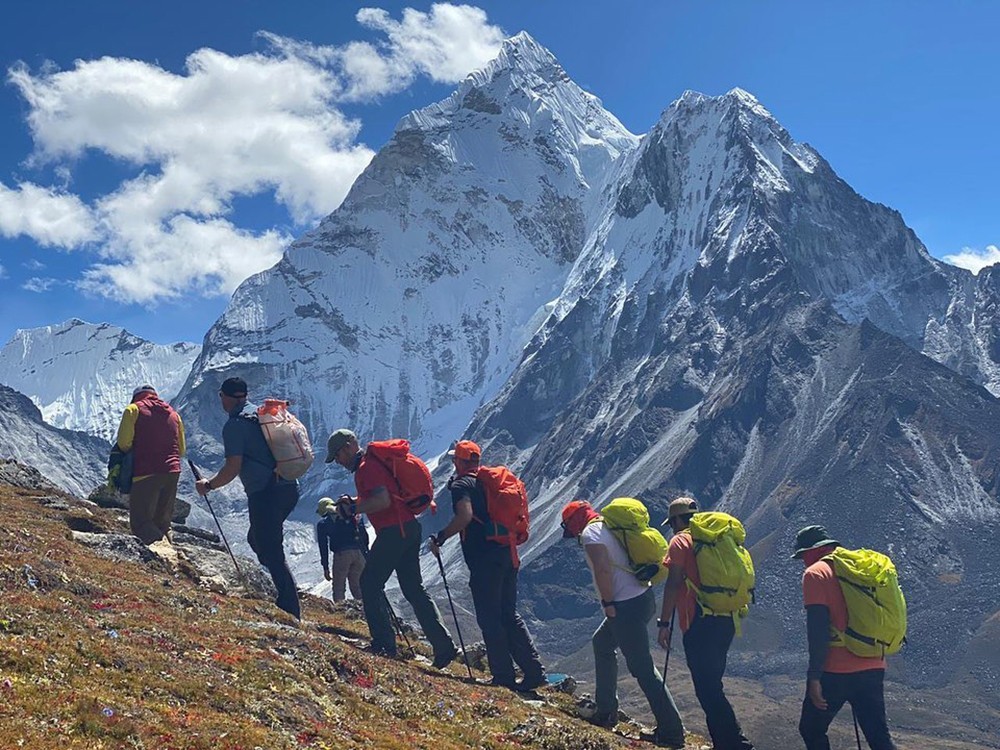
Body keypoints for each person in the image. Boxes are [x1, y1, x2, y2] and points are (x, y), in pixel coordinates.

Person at [326, 428, 457, 664]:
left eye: (338, 455)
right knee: (413, 588)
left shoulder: (366, 468)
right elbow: (386, 495)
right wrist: (354, 502)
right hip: (409, 527)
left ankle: (384, 645)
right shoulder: (372, 464)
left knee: (369, 583)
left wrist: (353, 508)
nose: (338, 461)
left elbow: (382, 500)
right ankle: (444, 646)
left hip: (394, 531)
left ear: (348, 447)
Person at [561, 499, 685, 749]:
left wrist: (608, 603)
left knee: (642, 668)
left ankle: (672, 733)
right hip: (642, 598)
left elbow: (602, 569)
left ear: (574, 523)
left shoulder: (591, 534)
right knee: (602, 643)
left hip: (624, 606)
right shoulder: (609, 525)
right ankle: (606, 710)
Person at [428, 440, 545, 691]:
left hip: (484, 559)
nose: (454, 463)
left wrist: (441, 536)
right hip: (507, 553)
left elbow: (465, 516)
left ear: (459, 462)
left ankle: (503, 676)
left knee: (489, 617)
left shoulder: (461, 485)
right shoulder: (488, 483)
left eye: (455, 459)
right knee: (508, 614)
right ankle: (534, 671)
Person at [195, 377, 301, 620]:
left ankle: (290, 608)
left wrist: (209, 485)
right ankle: (285, 593)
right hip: (288, 487)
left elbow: (233, 467)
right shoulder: (260, 414)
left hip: (265, 493)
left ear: (228, 397)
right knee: (257, 539)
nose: (220, 400)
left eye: (221, 395)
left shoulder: (235, 425)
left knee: (270, 548)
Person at [657, 497, 754, 750]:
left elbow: (673, 583)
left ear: (677, 520)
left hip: (699, 622)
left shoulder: (680, 542)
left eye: (672, 523)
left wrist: (663, 623)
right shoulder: (718, 538)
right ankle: (727, 742)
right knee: (712, 685)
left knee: (707, 689)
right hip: (727, 618)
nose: (672, 528)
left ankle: (735, 743)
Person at [792, 525, 897, 750]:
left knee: (811, 729)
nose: (803, 562)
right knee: (879, 737)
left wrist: (814, 677)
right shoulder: (858, 568)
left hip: (836, 670)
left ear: (811, 551)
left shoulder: (816, 573)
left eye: (803, 556)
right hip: (873, 663)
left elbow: (818, 631)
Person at [114, 384, 185, 545]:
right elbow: (181, 449)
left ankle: (162, 556)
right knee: (163, 523)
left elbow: (124, 443)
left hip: (146, 471)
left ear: (135, 397)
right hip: (173, 472)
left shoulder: (133, 409)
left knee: (141, 522)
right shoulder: (174, 414)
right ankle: (173, 553)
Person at [316, 496, 368, 602]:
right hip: (359, 553)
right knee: (357, 586)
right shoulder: (350, 515)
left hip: (342, 555)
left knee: (339, 587)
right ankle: (366, 608)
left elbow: (323, 546)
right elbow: (364, 535)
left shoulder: (323, 523)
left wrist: (325, 567)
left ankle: (340, 609)